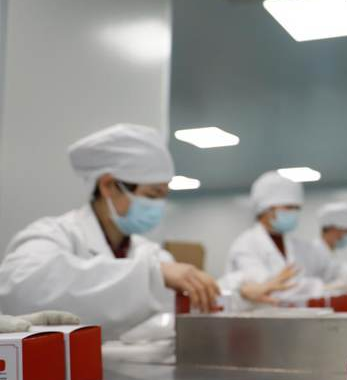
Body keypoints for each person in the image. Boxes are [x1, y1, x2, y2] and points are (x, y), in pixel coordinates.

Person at [0, 124, 220, 354]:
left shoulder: (152, 253)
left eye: (164, 196)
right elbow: (21, 289)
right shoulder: (53, 234)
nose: (158, 206)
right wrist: (151, 275)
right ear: (108, 186)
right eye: (152, 194)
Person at [220, 171, 335, 306]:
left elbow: (328, 270)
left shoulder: (296, 245)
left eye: (297, 208)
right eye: (289, 207)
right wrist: (318, 287)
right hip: (256, 316)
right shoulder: (246, 244)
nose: (294, 213)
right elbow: (269, 287)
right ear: (266, 208)